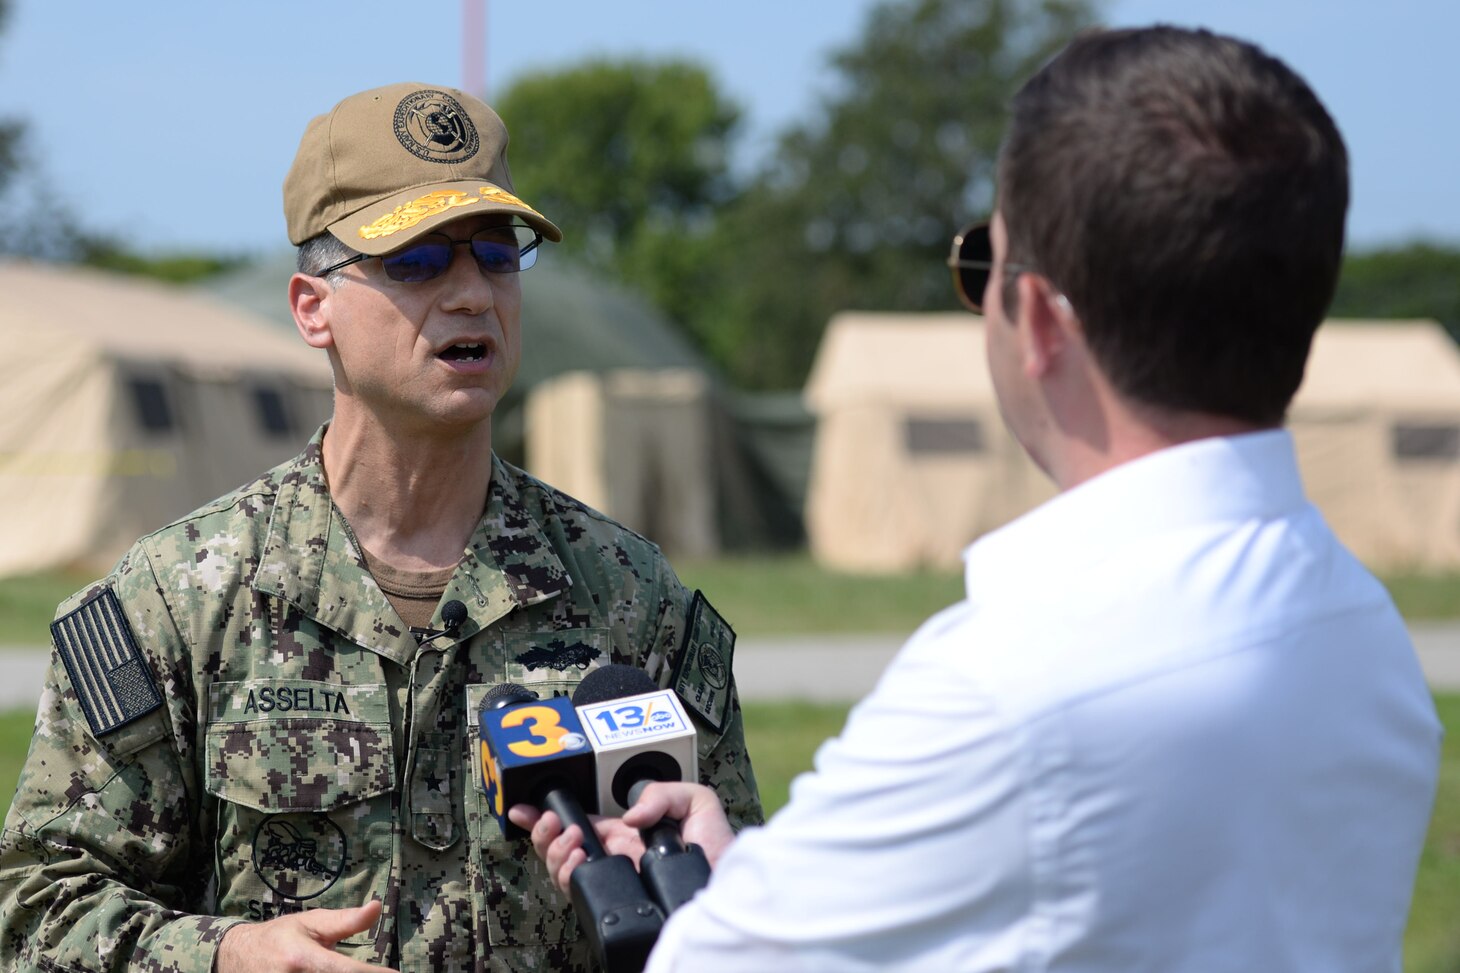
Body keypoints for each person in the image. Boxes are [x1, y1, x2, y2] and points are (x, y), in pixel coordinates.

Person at [515, 26, 1443, 972]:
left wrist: (701, 913)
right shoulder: (1364, 634)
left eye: (982, 262)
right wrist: (751, 874)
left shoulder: (1009, 692)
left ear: (1038, 316)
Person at [0, 82, 762, 973]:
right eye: (416, 260)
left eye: (496, 254)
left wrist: (694, 899)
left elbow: (752, 907)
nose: (473, 292)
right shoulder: (179, 597)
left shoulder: (633, 598)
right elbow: (37, 910)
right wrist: (228, 956)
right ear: (311, 307)